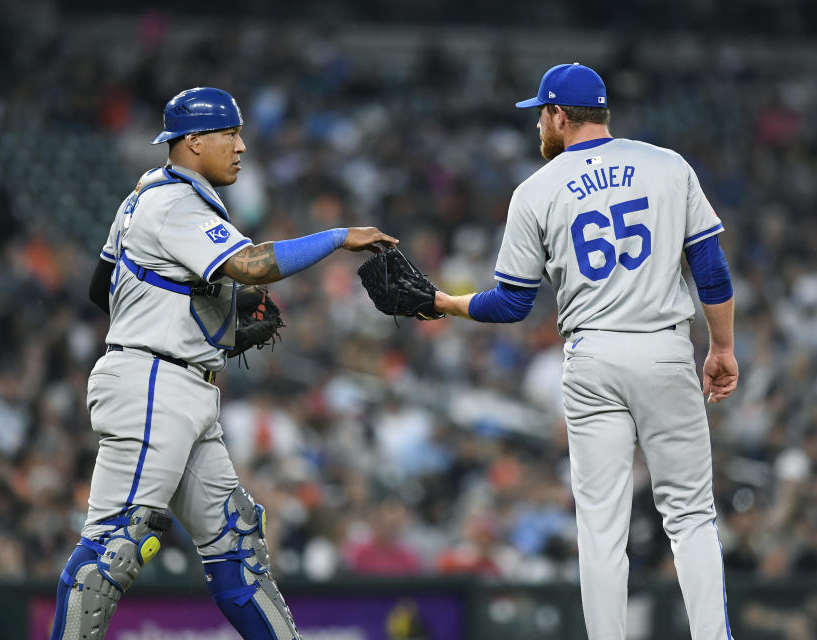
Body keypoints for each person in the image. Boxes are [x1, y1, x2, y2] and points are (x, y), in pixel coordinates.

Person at [50, 87, 397, 640]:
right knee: (114, 547)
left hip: (181, 385)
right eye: (229, 134)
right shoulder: (174, 202)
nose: (240, 146)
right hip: (152, 387)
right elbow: (252, 265)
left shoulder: (146, 194)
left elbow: (103, 288)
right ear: (192, 142)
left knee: (236, 544)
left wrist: (210, 324)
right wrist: (336, 237)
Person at [432, 63, 738, 639]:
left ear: (559, 115)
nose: (538, 127)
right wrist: (721, 347)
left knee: (601, 526)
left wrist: (446, 302)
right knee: (691, 516)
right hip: (664, 350)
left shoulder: (536, 190)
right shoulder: (668, 166)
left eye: (540, 115)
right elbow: (712, 274)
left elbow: (511, 305)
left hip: (592, 356)